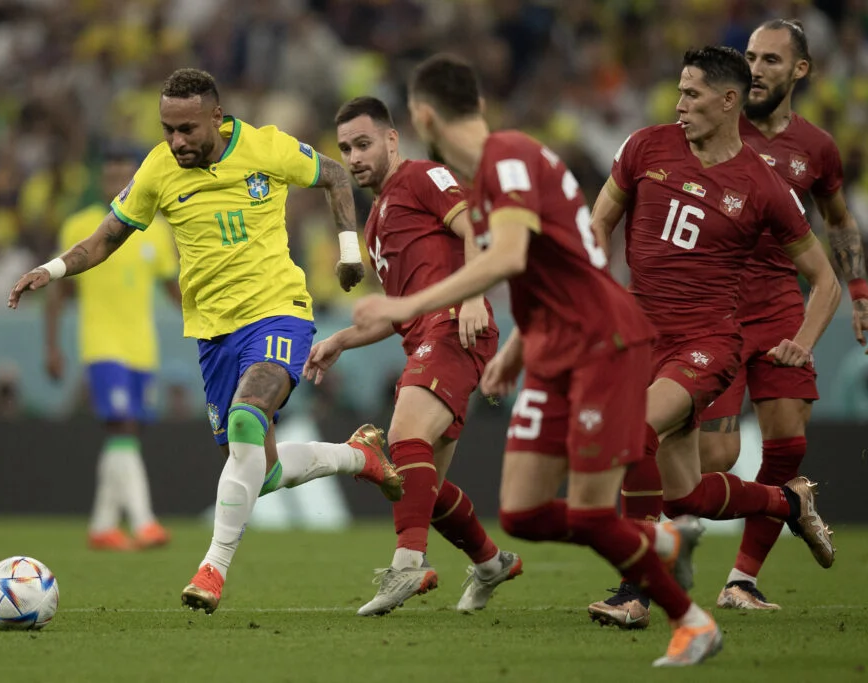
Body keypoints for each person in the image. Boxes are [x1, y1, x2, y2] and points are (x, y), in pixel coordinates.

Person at [354, 53, 721, 667]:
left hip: (603, 340)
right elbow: (547, 269)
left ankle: (691, 622)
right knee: (522, 512)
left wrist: (406, 305)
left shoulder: (511, 157)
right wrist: (517, 350)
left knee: (589, 510)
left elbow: (511, 256)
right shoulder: (486, 183)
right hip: (552, 344)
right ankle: (660, 537)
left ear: (421, 115)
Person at [9, 68, 403, 614]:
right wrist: (50, 271)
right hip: (214, 335)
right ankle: (358, 456)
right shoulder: (158, 169)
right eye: (167, 129)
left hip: (277, 312)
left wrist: (349, 250)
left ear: (217, 117)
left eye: (187, 129)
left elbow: (336, 175)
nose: (176, 142)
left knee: (247, 416)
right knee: (256, 469)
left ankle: (212, 569)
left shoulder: (266, 147)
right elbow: (106, 238)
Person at [587, 46, 840, 630]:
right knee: (685, 496)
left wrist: (803, 340)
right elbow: (599, 222)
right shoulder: (645, 146)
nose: (679, 105)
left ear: (729, 101)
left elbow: (823, 278)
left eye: (692, 94)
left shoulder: (763, 184)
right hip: (639, 339)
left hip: (704, 345)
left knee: (633, 433)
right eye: (678, 92)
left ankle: (636, 591)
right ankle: (788, 501)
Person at [306, 96, 521, 616]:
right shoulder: (377, 219)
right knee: (422, 485)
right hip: (424, 331)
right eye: (346, 149)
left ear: (392, 140)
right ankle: (492, 563)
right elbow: (397, 314)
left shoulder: (424, 176)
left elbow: (477, 227)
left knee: (403, 440)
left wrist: (472, 295)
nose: (354, 157)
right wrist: (339, 339)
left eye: (363, 144)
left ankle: (407, 566)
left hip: (453, 326)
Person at [693, 19, 868, 612]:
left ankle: (742, 578)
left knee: (788, 444)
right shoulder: (715, 128)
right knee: (709, 461)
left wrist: (860, 288)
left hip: (779, 304)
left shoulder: (816, 148)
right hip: (714, 306)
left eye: (771, 60)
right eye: (750, 57)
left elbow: (839, 220)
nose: (757, 69)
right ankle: (785, 505)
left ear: (799, 71)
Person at [45, 147, 179, 551]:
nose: (117, 182)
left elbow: (174, 289)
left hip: (143, 348)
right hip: (102, 344)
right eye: (110, 175)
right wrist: (51, 346)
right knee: (120, 425)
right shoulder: (81, 228)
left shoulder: (155, 230)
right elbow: (59, 295)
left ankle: (103, 525)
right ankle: (144, 522)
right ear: (100, 180)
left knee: (127, 432)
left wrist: (209, 325)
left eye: (125, 176)